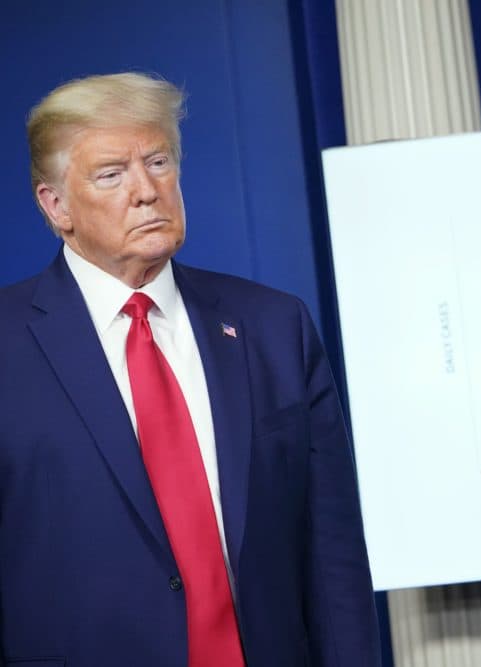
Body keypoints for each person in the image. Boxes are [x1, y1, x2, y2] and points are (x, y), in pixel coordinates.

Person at [0, 72, 380, 666]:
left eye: (158, 162)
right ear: (56, 205)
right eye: (111, 174)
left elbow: (332, 553)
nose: (146, 190)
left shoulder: (274, 326)